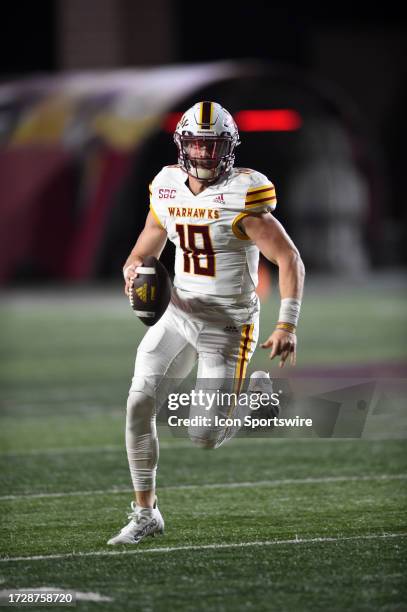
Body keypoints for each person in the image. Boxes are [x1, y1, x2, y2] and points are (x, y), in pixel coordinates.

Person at [107, 101, 305, 545]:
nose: (203, 155)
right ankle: (145, 513)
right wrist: (135, 265)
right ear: (182, 145)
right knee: (138, 404)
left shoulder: (244, 194)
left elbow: (288, 257)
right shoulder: (167, 186)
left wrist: (286, 324)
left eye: (213, 145)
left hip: (227, 326)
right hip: (178, 313)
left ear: (228, 148)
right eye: (196, 144)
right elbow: (150, 241)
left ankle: (257, 399)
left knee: (204, 436)